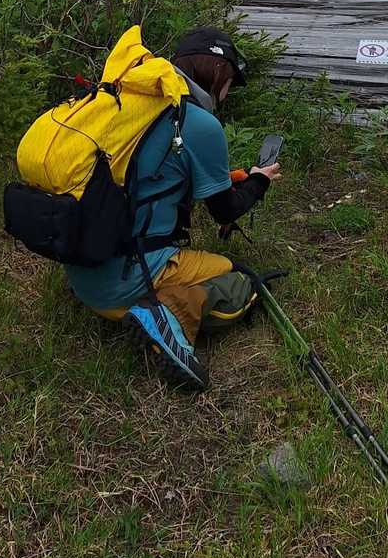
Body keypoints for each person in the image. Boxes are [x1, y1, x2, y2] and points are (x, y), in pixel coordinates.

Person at [64, 27, 281, 389]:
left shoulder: (128, 105)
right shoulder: (198, 123)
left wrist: (231, 177)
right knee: (239, 281)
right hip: (127, 282)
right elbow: (225, 211)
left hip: (84, 267)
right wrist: (259, 181)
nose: (228, 93)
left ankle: (125, 293)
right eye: (230, 81)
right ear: (217, 70)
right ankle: (166, 315)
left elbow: (150, 177)